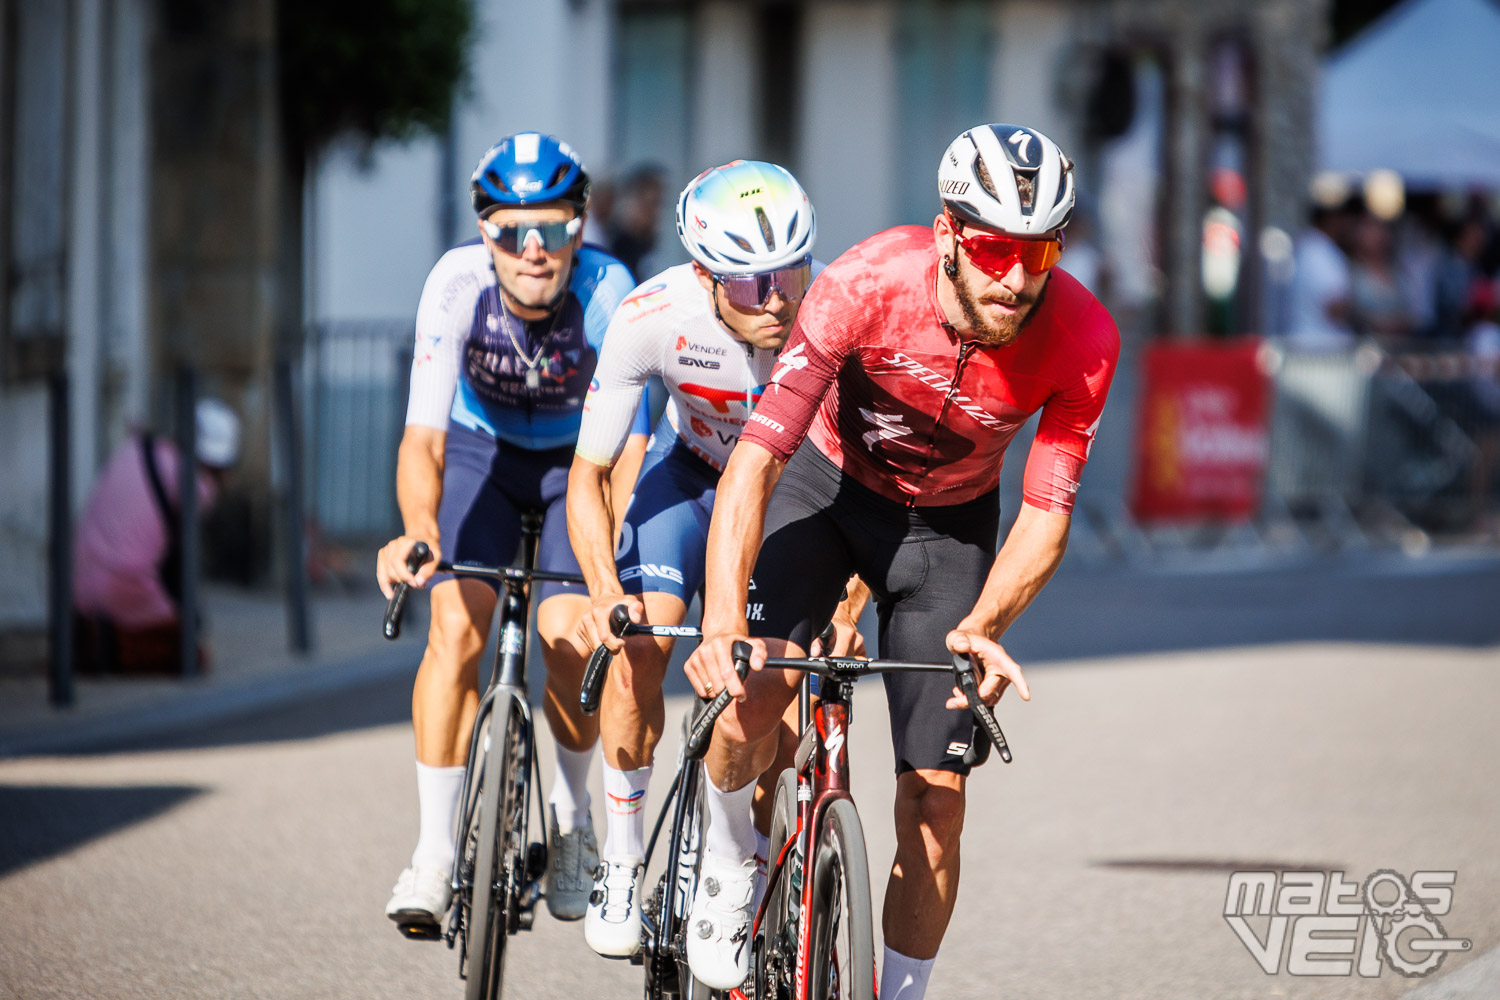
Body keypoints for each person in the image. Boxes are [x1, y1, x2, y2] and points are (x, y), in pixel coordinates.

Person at [681, 123, 1120, 996]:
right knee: (749, 700)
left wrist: (986, 624)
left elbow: (1046, 510)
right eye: (995, 249)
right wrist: (722, 622)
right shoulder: (862, 284)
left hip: (945, 535)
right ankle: (729, 857)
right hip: (826, 492)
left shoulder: (1084, 336)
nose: (1016, 276)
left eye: (1041, 252)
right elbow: (758, 462)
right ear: (951, 234)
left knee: (937, 802)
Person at [566, 160, 842, 958]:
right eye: (752, 285)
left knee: (778, 699)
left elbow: (867, 479)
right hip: (688, 479)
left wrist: (850, 600)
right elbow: (587, 476)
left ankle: (740, 858)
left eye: (791, 269)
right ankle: (621, 858)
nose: (778, 299)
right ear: (704, 275)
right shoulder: (653, 314)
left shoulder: (836, 311)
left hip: (795, 497)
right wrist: (600, 589)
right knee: (639, 643)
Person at [376, 133, 650, 932]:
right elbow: (423, 438)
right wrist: (418, 533)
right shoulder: (456, 284)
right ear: (483, 231)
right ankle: (433, 852)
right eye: (509, 229)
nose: (533, 250)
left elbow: (630, 448)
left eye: (556, 228)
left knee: (570, 637)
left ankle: (570, 825)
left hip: (578, 463)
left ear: (580, 226)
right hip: (480, 453)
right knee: (456, 629)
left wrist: (608, 565)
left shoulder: (610, 288)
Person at [73, 398, 241, 674]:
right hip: (123, 584)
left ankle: (98, 637)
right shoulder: (198, 488)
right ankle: (115, 649)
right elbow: (179, 564)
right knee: (193, 653)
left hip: (78, 585)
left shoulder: (134, 447)